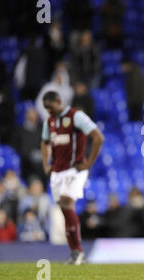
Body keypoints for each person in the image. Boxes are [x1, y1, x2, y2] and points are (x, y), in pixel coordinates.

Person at [41, 91, 104, 265]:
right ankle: (75, 252)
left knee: (66, 202)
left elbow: (98, 137)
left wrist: (89, 163)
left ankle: (79, 252)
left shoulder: (76, 116)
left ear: (59, 101)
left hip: (74, 169)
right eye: (46, 109)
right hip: (57, 171)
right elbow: (44, 142)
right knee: (64, 208)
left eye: (51, 108)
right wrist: (46, 164)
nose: (49, 112)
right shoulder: (49, 121)